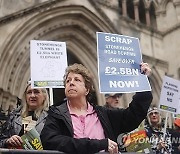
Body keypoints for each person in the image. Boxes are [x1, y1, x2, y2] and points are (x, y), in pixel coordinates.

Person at [40, 63, 153, 154]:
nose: (71, 83)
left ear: (87, 90)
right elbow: (49, 141)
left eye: (77, 80)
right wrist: (100, 144)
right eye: (68, 81)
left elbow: (133, 115)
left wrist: (143, 83)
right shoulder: (56, 114)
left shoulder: (104, 114)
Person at [0, 83, 49, 148]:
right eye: (29, 92)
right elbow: (1, 140)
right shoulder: (14, 117)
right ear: (25, 96)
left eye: (36, 92)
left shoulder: (51, 118)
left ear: (44, 96)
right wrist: (8, 141)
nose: (32, 95)